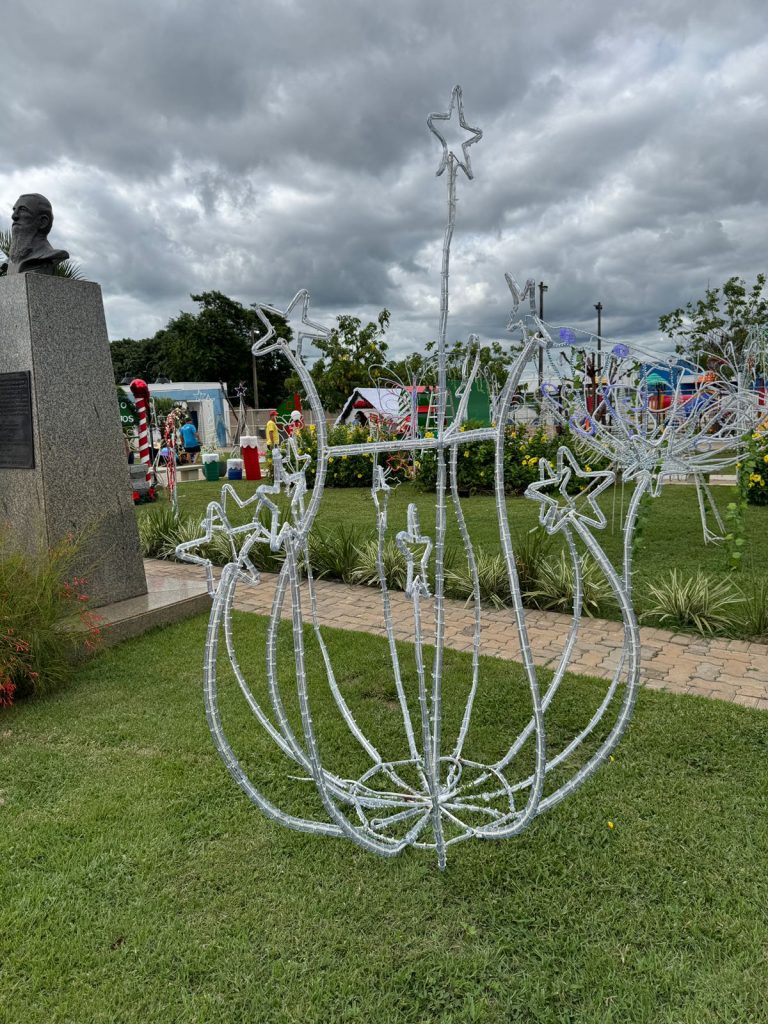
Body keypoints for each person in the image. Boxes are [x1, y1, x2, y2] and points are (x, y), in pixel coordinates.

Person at [1, 194, 70, 276]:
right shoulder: (8, 263)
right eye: (14, 210)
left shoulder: (48, 257)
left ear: (43, 222)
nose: (14, 216)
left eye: (23, 209)